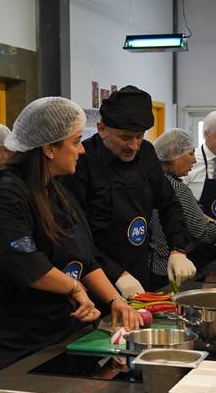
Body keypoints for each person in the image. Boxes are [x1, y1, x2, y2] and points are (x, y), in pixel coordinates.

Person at [0, 97, 140, 373]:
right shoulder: (8, 191)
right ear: (49, 148)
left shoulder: (56, 190)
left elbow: (86, 258)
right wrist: (74, 288)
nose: (82, 150)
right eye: (75, 142)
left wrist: (115, 300)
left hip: (59, 331)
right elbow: (24, 260)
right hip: (18, 339)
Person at [63, 86, 195, 298]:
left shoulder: (147, 153)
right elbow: (75, 233)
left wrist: (178, 249)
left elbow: (168, 203)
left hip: (139, 269)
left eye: (139, 136)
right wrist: (117, 274)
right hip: (95, 275)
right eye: (125, 138)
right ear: (102, 128)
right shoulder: (81, 161)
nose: (134, 146)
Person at [149, 129, 216, 288]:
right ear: (172, 154)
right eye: (190, 154)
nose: (194, 161)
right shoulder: (177, 188)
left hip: (153, 267)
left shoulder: (153, 181)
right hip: (175, 270)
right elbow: (204, 233)